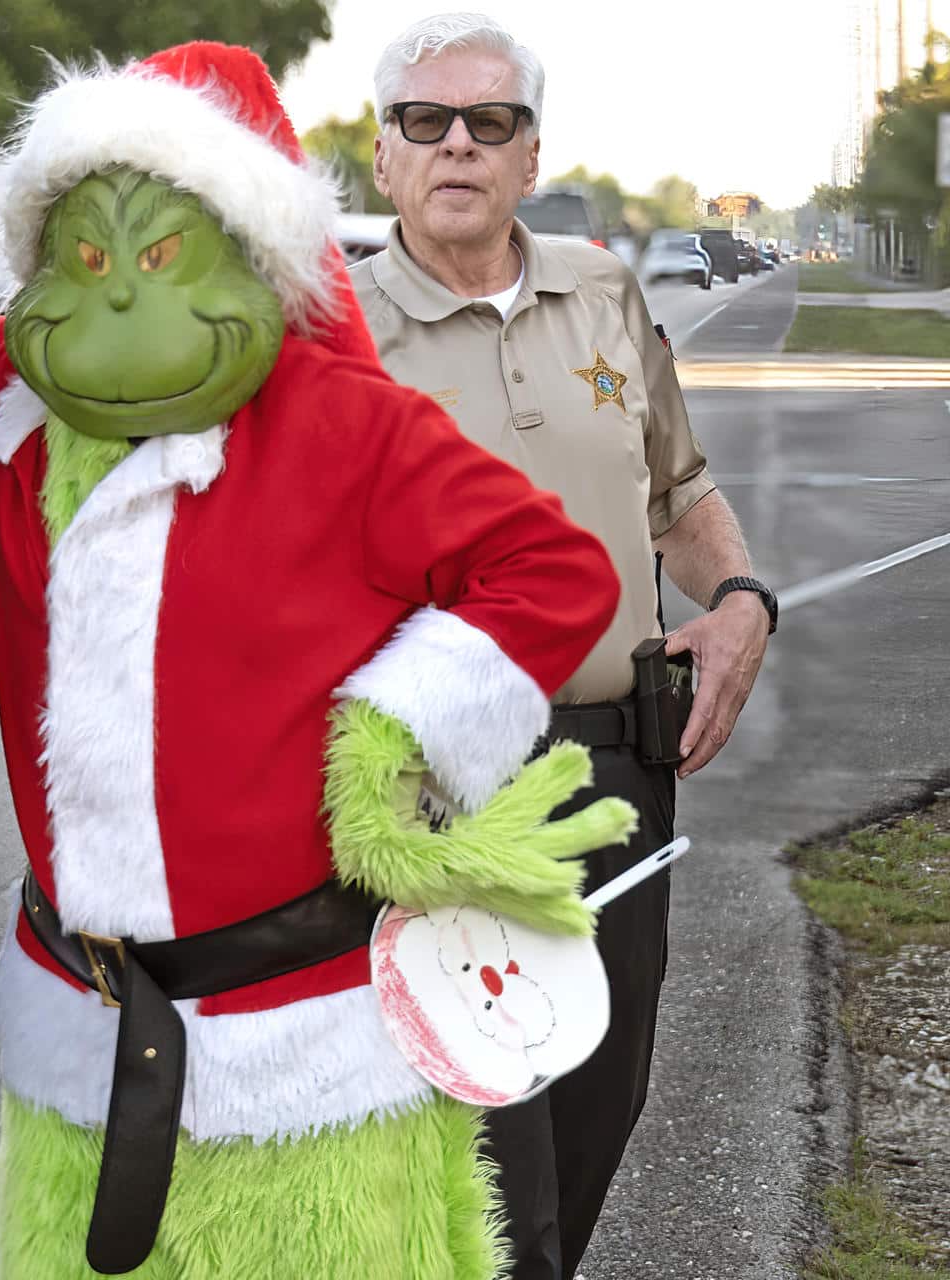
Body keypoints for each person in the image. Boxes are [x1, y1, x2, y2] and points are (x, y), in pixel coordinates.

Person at [0, 41, 638, 1280]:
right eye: (85, 259)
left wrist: (393, 732)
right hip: (78, 1033)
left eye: (162, 256)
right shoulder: (26, 394)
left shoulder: (340, 420)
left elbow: (555, 571)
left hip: (301, 1049)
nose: (117, 305)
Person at [352, 13, 776, 1279]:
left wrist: (741, 595)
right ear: (383, 154)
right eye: (425, 120)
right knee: (494, 1181)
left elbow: (677, 491)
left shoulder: (602, 292)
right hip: (442, 795)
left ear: (531, 154)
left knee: (598, 1107)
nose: (458, 144)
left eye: (491, 120)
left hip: (618, 773)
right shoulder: (334, 335)